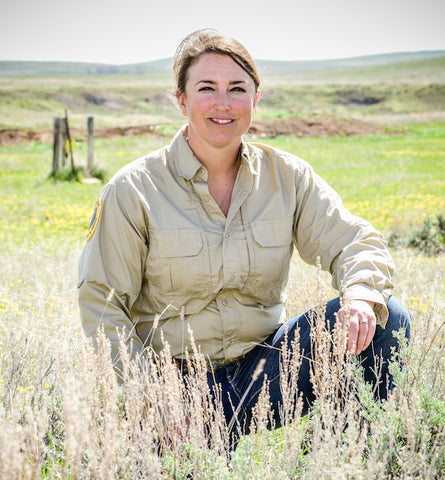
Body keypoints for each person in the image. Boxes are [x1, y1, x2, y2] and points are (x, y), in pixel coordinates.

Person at [78, 29, 410, 444]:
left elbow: (354, 242)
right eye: (206, 89)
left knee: (387, 317)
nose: (223, 103)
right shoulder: (133, 189)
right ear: (181, 100)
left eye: (237, 89)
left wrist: (361, 296)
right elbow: (102, 305)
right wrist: (154, 402)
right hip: (178, 388)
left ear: (255, 98)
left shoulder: (287, 176)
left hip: (268, 370)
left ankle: (341, 457)